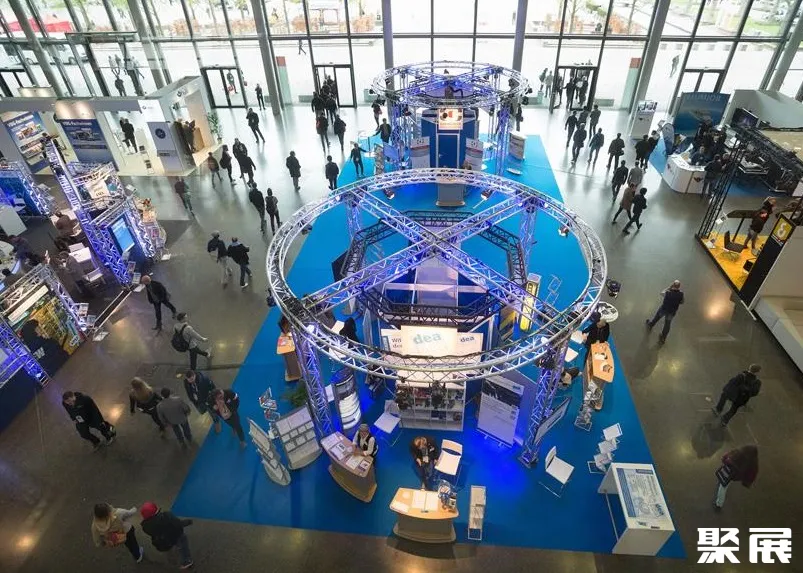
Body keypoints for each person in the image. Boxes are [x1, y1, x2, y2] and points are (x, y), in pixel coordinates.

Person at [140, 502, 193, 569]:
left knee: (169, 548)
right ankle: (187, 561)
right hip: (176, 535)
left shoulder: (145, 526)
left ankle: (172, 560)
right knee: (183, 545)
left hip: (164, 541)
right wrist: (188, 522)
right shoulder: (167, 516)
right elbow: (178, 523)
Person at [714, 445, 758, 510]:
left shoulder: (737, 453)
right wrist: (746, 483)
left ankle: (719, 504)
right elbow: (751, 475)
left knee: (723, 487)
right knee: (725, 484)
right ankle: (719, 504)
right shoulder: (753, 463)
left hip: (729, 473)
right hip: (737, 476)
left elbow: (726, 457)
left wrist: (724, 459)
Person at [646, 280, 684, 344]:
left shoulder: (668, 292)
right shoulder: (681, 294)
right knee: (667, 324)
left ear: (673, 285)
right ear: (679, 286)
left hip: (664, 309)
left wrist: (669, 287)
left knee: (657, 317)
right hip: (672, 311)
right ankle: (663, 338)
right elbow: (682, 302)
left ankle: (651, 325)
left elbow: (661, 293)